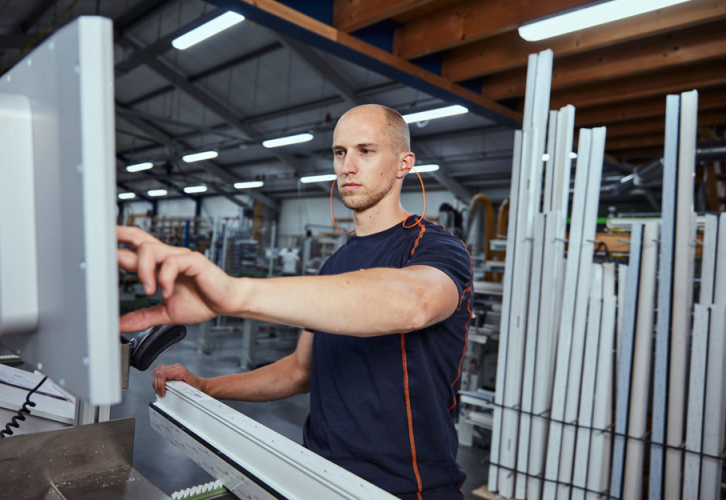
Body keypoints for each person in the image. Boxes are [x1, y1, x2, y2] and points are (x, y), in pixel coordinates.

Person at [117, 104, 473, 500]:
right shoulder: (335, 264)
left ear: (403, 163)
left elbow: (415, 302)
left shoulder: (436, 247)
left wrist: (236, 294)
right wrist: (207, 385)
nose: (347, 167)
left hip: (407, 489)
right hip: (315, 475)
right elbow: (298, 371)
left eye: (366, 151)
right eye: (340, 152)